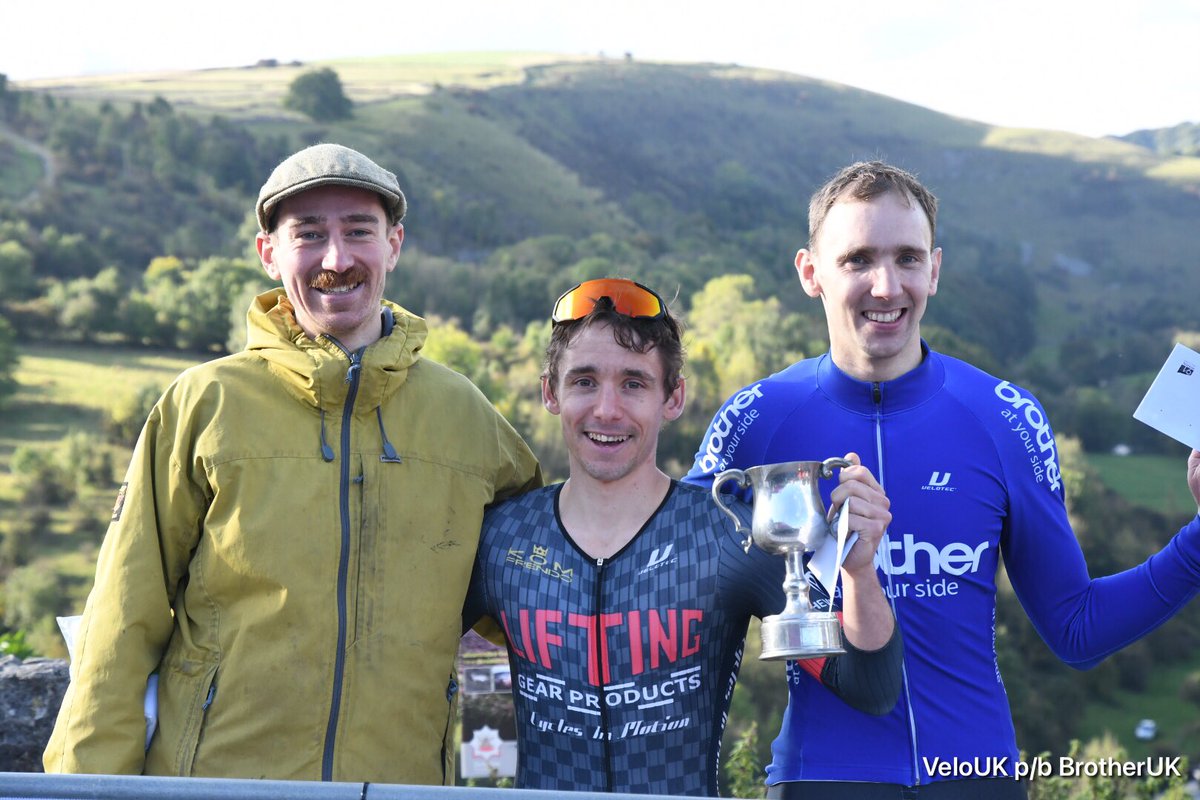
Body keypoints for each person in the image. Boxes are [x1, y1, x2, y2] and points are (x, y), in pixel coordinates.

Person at [685, 160, 1200, 798]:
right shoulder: (754, 421)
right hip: (820, 780)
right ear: (810, 273)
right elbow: (680, 617)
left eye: (907, 258)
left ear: (934, 269)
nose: (885, 285)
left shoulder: (1005, 417)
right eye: (857, 260)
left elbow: (1078, 630)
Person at [43, 143, 542, 783]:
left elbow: (535, 604)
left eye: (358, 231)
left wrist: (493, 760)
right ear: (269, 254)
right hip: (215, 789)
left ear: (393, 246)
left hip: (399, 789)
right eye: (309, 235)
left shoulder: (467, 418)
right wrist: (88, 789)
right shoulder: (204, 403)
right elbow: (123, 615)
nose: (336, 259)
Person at [463, 278, 903, 796]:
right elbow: (417, 667)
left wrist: (858, 570)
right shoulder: (502, 538)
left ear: (673, 398)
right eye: (584, 381)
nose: (606, 409)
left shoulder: (728, 531)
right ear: (549, 392)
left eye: (633, 383)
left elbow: (869, 687)